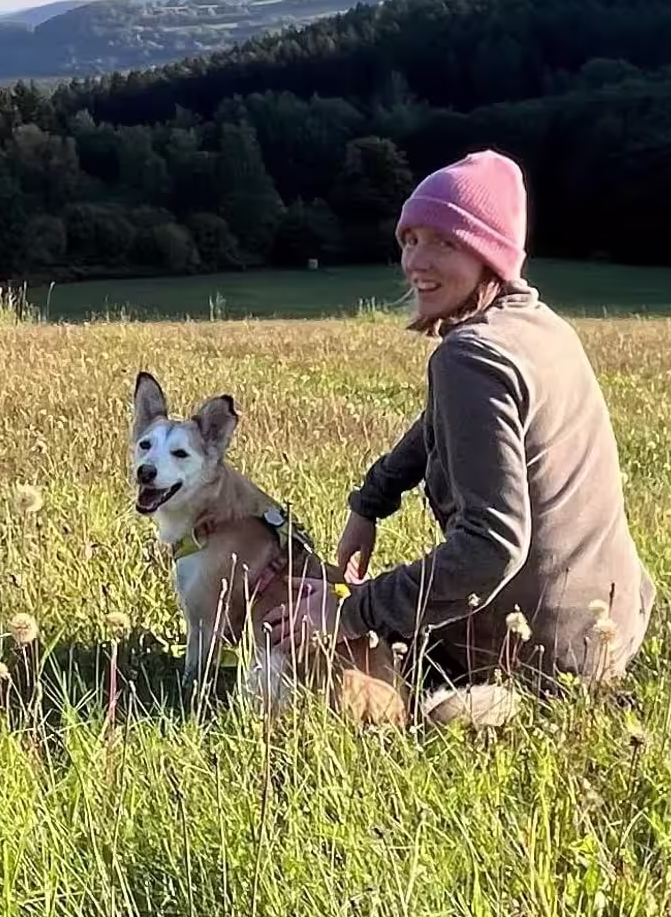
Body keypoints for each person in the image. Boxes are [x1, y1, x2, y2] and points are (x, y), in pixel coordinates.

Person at [264, 149, 651, 690]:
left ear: (489, 253)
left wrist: (349, 612)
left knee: (311, 627)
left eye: (445, 242)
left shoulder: (469, 356)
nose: (416, 262)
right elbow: (442, 426)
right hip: (609, 628)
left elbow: (491, 547)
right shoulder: (541, 327)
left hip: (533, 657)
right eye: (410, 240)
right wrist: (372, 501)